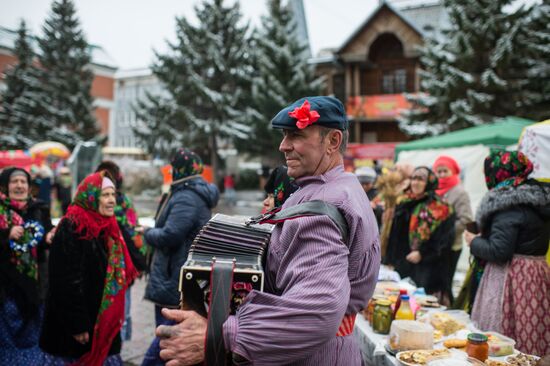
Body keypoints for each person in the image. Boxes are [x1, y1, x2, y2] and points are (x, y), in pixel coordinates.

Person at [156, 96, 381, 365]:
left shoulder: (321, 209)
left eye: (296, 135)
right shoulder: (341, 186)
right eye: (285, 135)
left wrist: (219, 333)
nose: (283, 146)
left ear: (333, 141)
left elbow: (315, 312)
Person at [39, 170, 138, 365]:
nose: (112, 200)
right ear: (90, 196)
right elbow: (65, 282)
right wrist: (77, 325)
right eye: (105, 194)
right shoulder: (73, 227)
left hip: (101, 323)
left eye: (113, 194)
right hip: (75, 328)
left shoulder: (108, 226)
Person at [465, 151, 549, 356]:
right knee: (530, 329)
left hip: (512, 277)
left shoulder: (508, 203)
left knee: (503, 335)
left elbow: (499, 251)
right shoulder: (539, 199)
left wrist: (474, 241)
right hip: (536, 274)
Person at [140, 148, 219, 366]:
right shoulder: (188, 192)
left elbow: (171, 235)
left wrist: (147, 233)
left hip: (174, 278)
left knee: (166, 340)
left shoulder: (187, 196)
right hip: (177, 274)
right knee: (169, 340)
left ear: (178, 169)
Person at [0, 167, 54, 364]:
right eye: (14, 181)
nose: (20, 185)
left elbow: (45, 232)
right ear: (5, 186)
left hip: (34, 284)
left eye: (23, 181)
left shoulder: (38, 208)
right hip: (5, 286)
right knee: (7, 340)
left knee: (32, 336)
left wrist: (49, 236)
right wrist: (6, 235)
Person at [385, 166, 455, 305]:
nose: (416, 183)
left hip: (427, 267)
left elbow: (444, 239)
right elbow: (394, 235)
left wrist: (422, 253)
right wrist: (389, 260)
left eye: (421, 179)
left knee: (420, 305)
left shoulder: (440, 207)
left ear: (429, 182)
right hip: (403, 263)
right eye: (413, 179)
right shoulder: (404, 201)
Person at [96, 161, 147, 342]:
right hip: (120, 264)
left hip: (114, 263)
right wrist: (140, 261)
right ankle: (118, 346)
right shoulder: (123, 201)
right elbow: (134, 231)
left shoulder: (94, 199)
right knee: (121, 309)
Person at [432, 156, 472, 302]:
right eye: (438, 171)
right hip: (435, 246)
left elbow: (466, 219)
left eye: (445, 171)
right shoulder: (436, 190)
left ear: (453, 171)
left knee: (445, 282)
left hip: (451, 246)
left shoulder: (460, 192)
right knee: (434, 281)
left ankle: (447, 311)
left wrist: (446, 233)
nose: (441, 175)